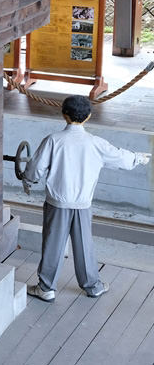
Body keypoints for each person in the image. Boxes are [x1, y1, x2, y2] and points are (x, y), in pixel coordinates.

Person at [23, 95, 151, 302]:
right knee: (84, 245)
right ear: (88, 117)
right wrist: (138, 158)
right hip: (83, 204)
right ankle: (92, 286)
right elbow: (120, 157)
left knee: (53, 244)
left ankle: (46, 287)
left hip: (57, 203)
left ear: (63, 114)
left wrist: (29, 179)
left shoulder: (53, 140)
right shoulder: (95, 143)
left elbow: (35, 169)